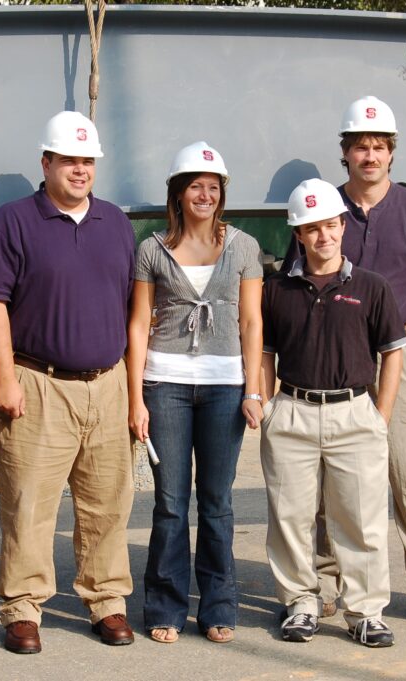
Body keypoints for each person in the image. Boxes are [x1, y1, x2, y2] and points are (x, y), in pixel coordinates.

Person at [284, 96, 406, 630]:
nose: (370, 154)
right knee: (328, 479)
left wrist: (404, 325)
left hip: (403, 351)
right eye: (360, 145)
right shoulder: (324, 206)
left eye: (380, 146)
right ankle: (325, 587)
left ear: (392, 153)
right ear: (346, 152)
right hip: (334, 355)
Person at [0, 110, 136, 653]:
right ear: (46, 163)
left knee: (108, 501)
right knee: (29, 502)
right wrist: (4, 378)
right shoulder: (12, 221)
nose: (79, 169)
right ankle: (22, 607)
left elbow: (130, 308)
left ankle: (106, 600)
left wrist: (132, 392)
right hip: (36, 381)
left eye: (87, 161)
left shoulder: (115, 222)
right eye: (68, 159)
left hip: (107, 383)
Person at [127, 141, 263, 645]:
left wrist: (254, 388)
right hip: (165, 384)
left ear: (221, 194)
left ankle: (219, 606)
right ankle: (164, 604)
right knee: (169, 502)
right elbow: (139, 323)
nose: (204, 195)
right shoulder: (152, 249)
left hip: (226, 386)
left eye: (212, 187)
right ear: (178, 194)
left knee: (217, 501)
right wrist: (135, 397)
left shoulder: (243, 247)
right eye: (194, 187)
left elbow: (252, 321)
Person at [261, 178, 405, 648]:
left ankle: (364, 612)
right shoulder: (276, 290)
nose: (323, 236)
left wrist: (379, 414)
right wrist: (267, 407)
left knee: (360, 520)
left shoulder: (372, 287)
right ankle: (301, 602)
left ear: (343, 226)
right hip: (294, 412)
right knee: (291, 517)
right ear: (298, 235)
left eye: (330, 225)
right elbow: (264, 352)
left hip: (354, 415)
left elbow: (393, 351)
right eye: (311, 229)